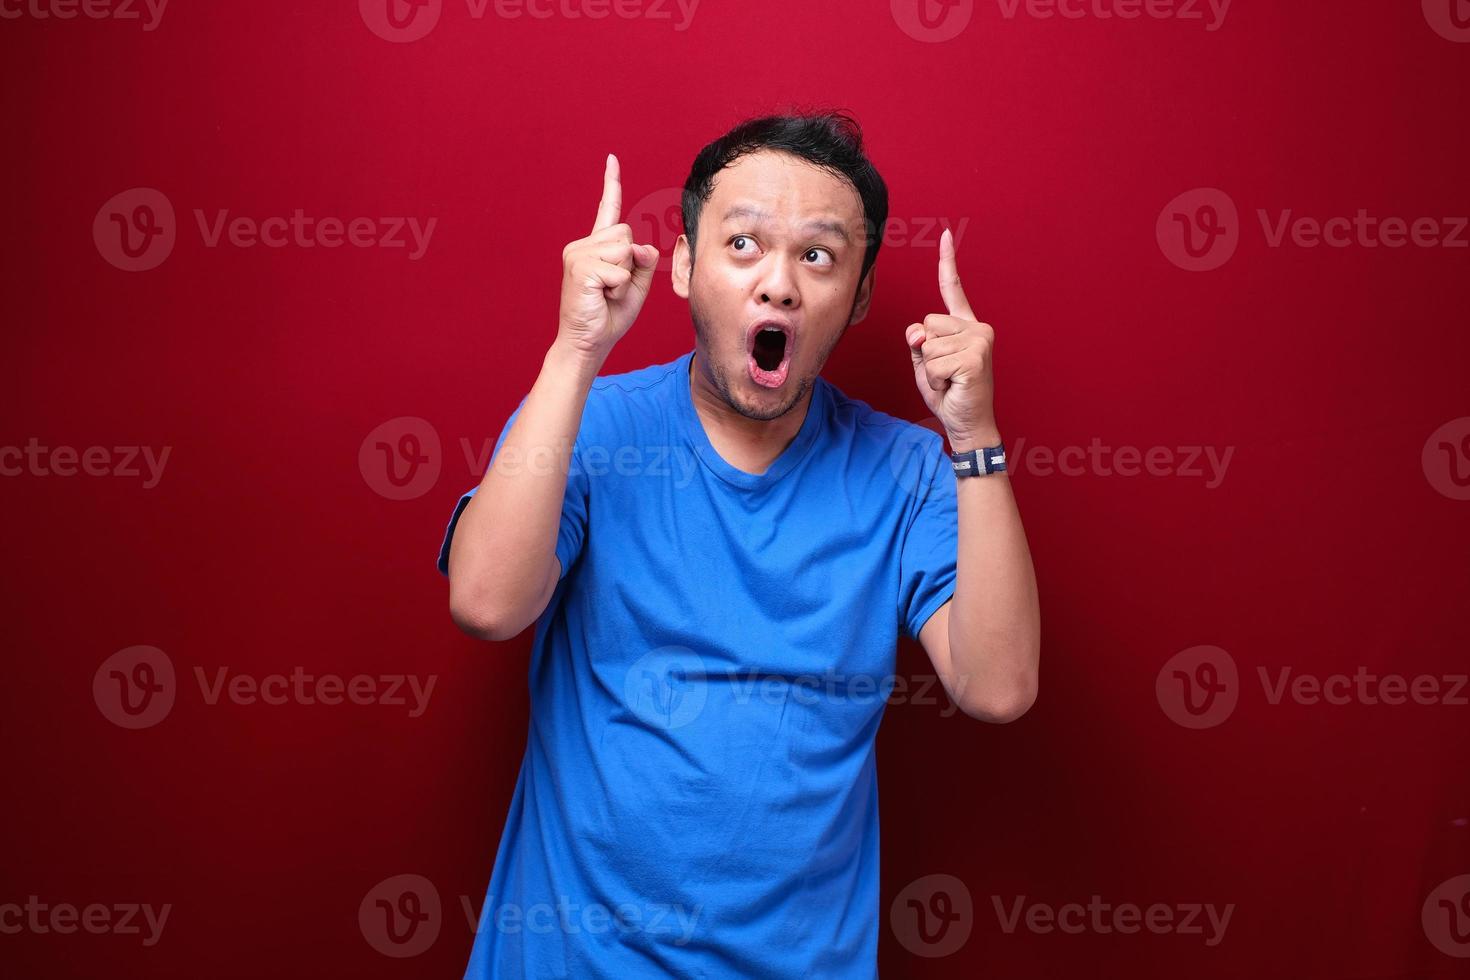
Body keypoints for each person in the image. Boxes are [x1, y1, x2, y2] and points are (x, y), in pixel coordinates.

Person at [438, 112, 1040, 978]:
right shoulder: (590, 426)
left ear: (860, 297)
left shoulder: (907, 471)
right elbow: (486, 605)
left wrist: (974, 434)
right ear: (683, 266)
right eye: (744, 244)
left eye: (819, 256)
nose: (780, 286)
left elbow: (998, 687)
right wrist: (576, 351)